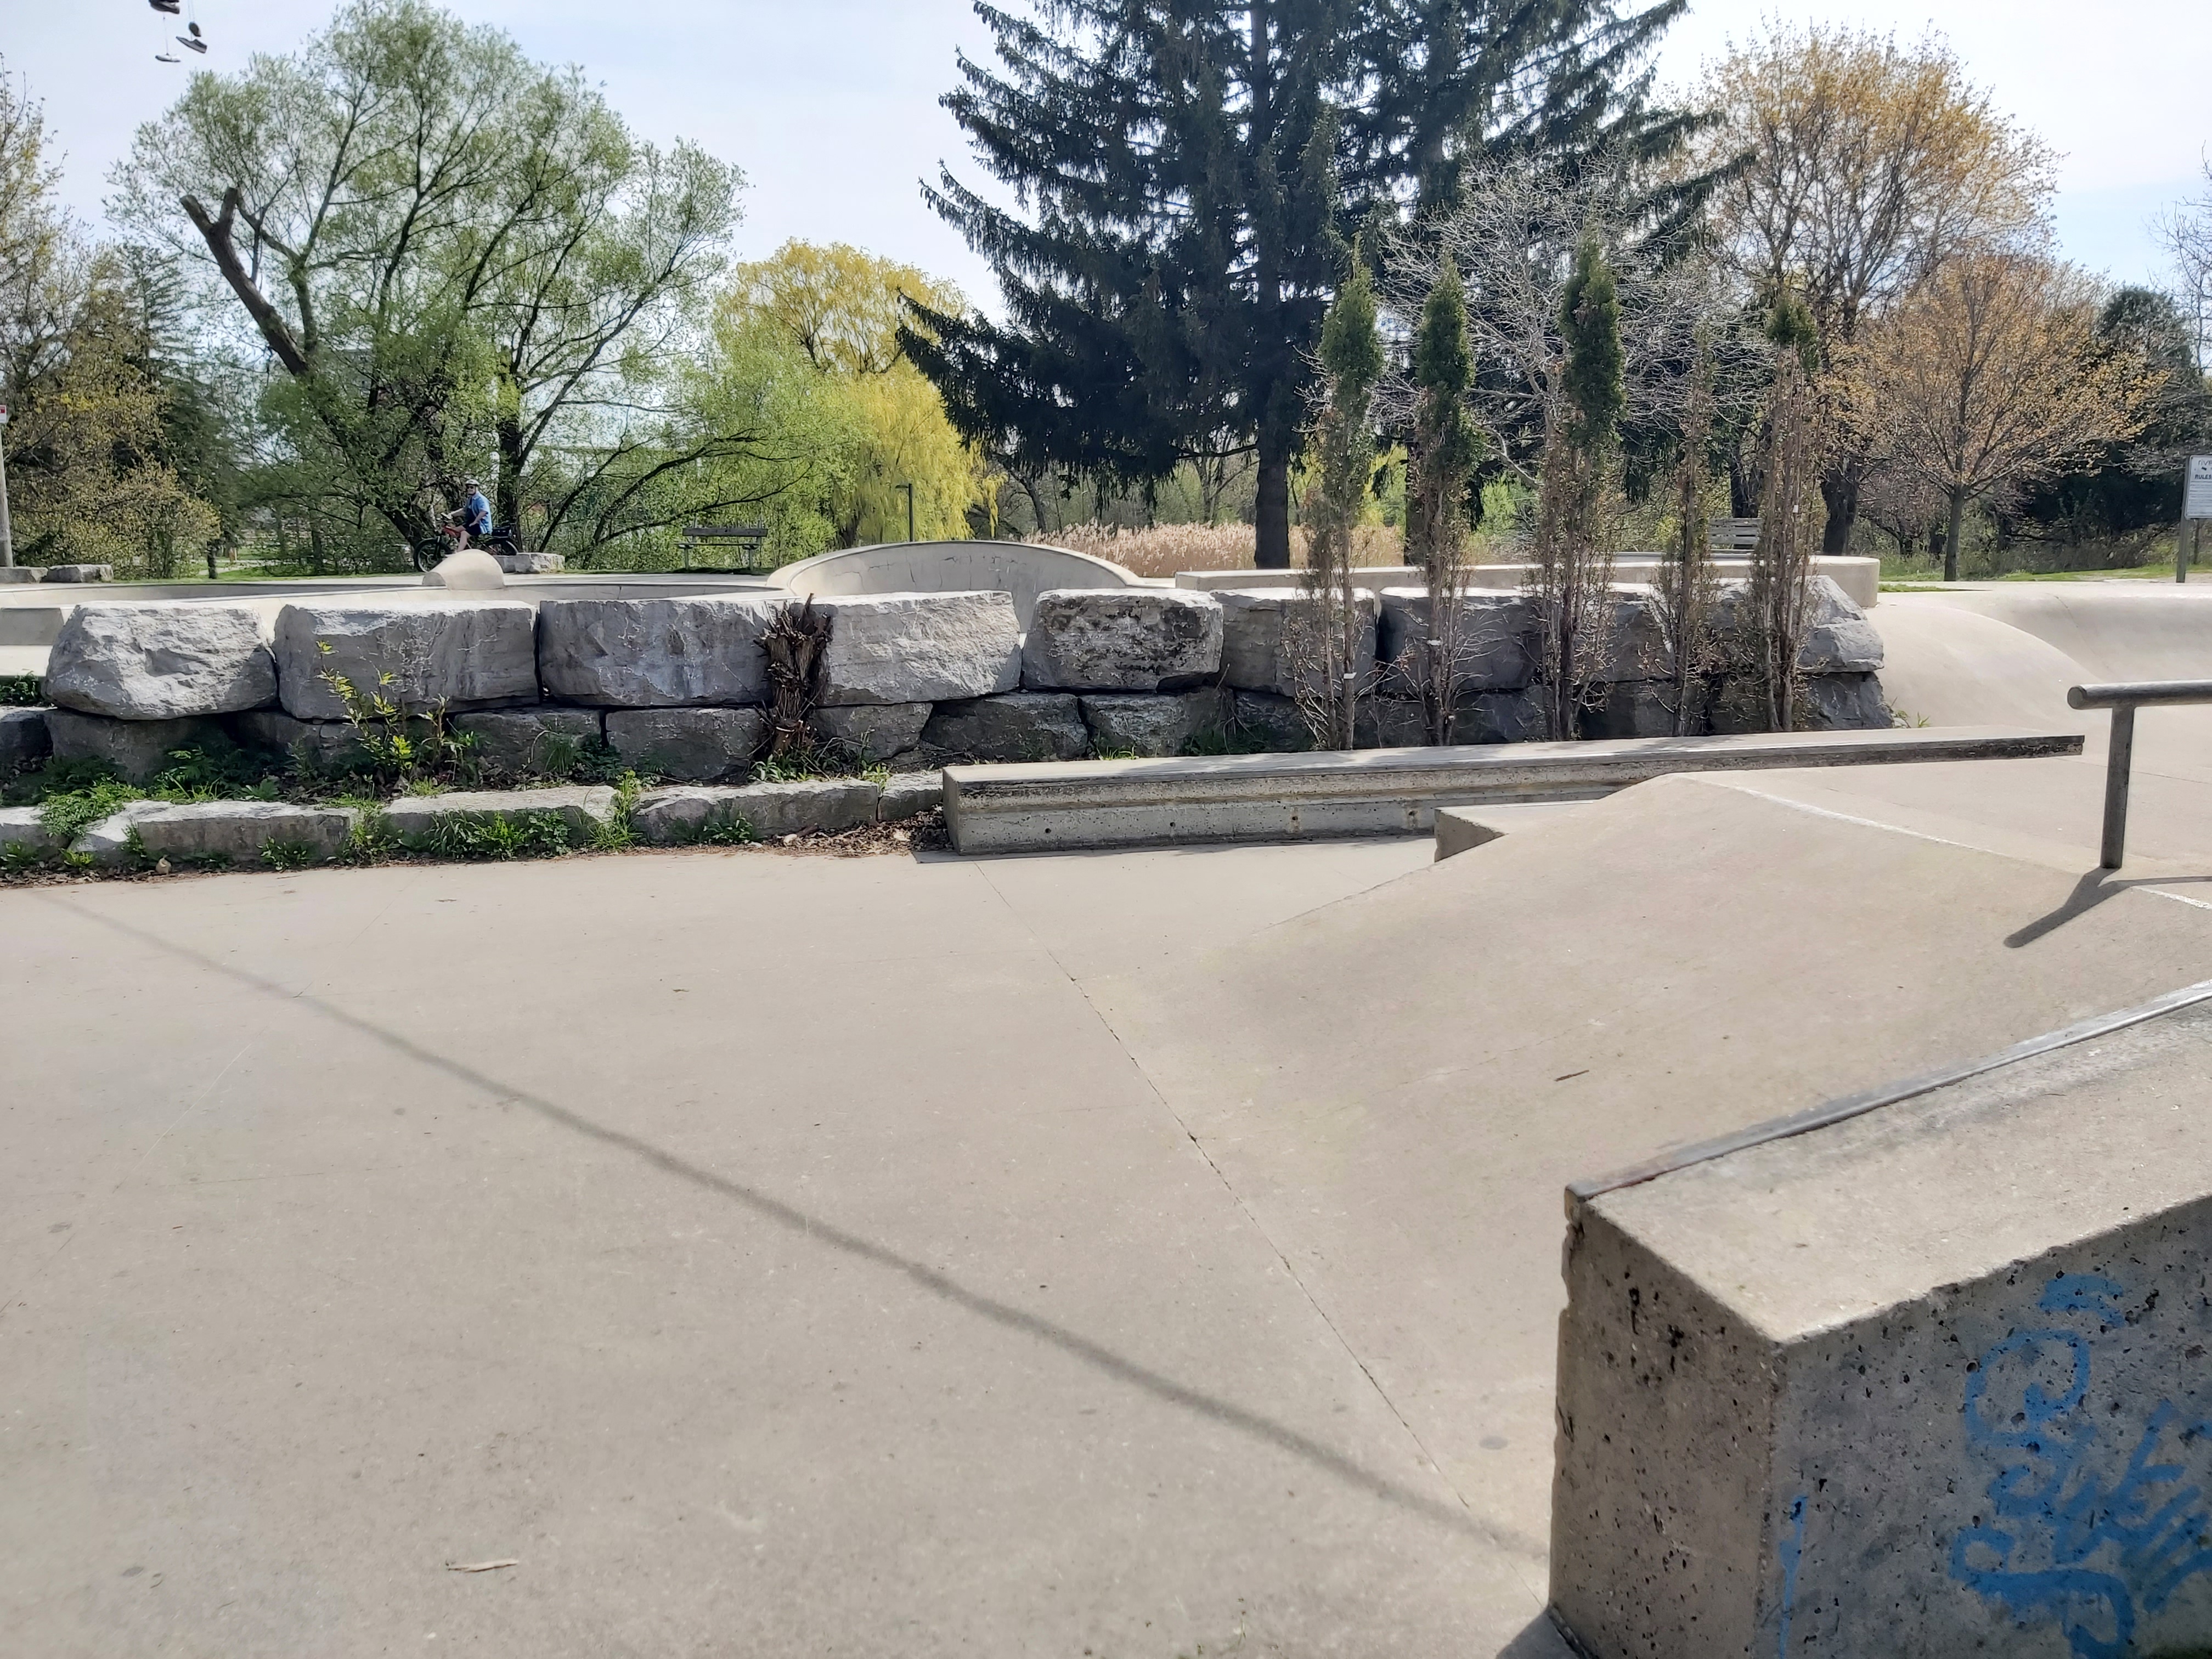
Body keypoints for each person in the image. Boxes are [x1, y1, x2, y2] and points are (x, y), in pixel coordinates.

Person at [447, 479, 493, 548]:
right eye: (468, 488)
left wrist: (476, 521)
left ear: (476, 488)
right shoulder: (471, 499)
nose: (469, 489)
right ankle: (460, 547)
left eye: (471, 487)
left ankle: (459, 553)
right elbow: (464, 511)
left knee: (464, 534)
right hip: (471, 523)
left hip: (481, 525)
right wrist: (451, 514)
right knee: (455, 531)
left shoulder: (481, 499)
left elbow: (484, 511)